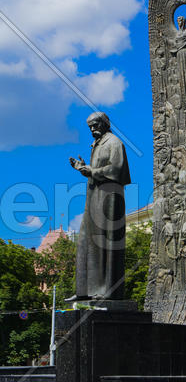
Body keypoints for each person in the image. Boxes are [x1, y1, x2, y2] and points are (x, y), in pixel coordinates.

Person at [66, 112, 131, 301]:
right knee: (86, 241)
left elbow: (118, 169)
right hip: (94, 198)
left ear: (105, 124)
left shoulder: (114, 143)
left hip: (109, 200)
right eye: (90, 127)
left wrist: (91, 171)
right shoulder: (98, 144)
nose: (92, 130)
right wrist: (83, 167)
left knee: (105, 243)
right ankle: (84, 291)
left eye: (95, 125)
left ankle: (106, 291)